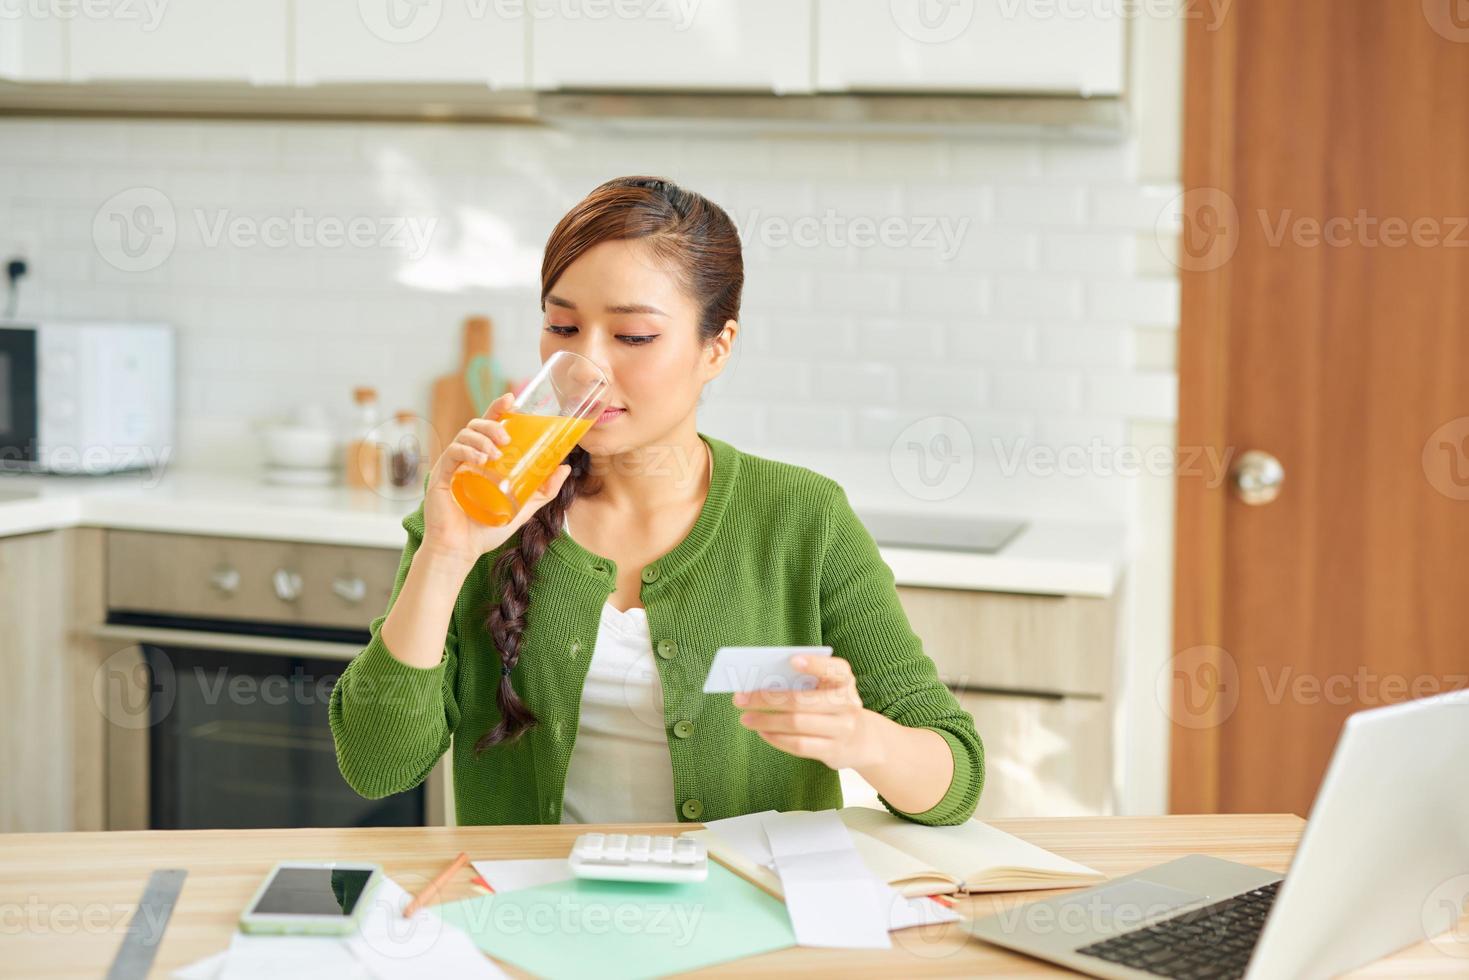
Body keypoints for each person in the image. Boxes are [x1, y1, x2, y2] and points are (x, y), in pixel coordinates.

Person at [329, 175, 984, 827]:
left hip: (750, 920)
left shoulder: (800, 517)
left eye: (633, 336)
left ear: (715, 348)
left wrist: (862, 739)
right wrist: (444, 556)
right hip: (530, 916)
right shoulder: (480, 511)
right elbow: (376, 765)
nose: (587, 365)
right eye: (562, 326)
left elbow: (954, 780)